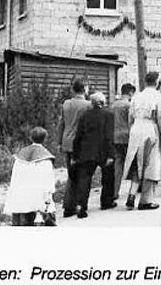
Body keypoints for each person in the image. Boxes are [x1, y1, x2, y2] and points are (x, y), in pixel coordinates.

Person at [122, 72, 161, 211]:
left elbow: (130, 117)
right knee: (151, 164)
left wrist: (133, 127)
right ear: (157, 82)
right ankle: (146, 200)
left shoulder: (136, 97)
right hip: (150, 128)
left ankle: (131, 195)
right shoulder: (159, 97)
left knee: (137, 162)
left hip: (136, 128)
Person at [72, 92, 115, 218]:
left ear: (92, 103)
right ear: (103, 102)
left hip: (86, 151)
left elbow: (78, 136)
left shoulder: (84, 115)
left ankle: (81, 206)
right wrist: (111, 155)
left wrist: (75, 155)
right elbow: (109, 136)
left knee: (84, 179)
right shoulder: (108, 114)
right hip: (103, 151)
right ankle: (106, 201)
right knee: (108, 177)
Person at [3, 127, 56, 226]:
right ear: (45, 139)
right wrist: (51, 192)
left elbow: (15, 177)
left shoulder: (21, 156)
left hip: (22, 195)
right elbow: (48, 179)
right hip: (39, 195)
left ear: (31, 138)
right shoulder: (45, 158)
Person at [56, 78, 91, 218]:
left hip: (67, 141)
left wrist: (59, 142)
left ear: (73, 89)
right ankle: (80, 205)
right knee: (83, 174)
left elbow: (61, 124)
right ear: (85, 88)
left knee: (72, 175)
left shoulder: (66, 104)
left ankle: (68, 206)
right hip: (81, 144)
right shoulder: (88, 105)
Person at [109, 83, 136, 200]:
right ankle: (134, 190)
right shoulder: (128, 105)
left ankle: (114, 191)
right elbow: (131, 122)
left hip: (114, 137)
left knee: (117, 165)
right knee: (133, 164)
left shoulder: (113, 105)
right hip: (126, 137)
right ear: (130, 92)